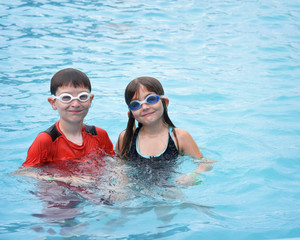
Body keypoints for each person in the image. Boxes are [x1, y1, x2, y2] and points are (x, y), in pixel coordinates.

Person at [115, 76, 212, 186]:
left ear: (164, 102)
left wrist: (192, 176)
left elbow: (205, 163)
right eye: (135, 104)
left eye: (151, 99)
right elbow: (118, 165)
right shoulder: (127, 137)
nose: (145, 107)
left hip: (168, 190)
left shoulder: (179, 137)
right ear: (130, 113)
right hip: (135, 191)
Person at [21, 68, 114, 173]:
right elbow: (25, 173)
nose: (75, 104)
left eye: (82, 97)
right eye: (66, 97)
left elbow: (113, 164)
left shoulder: (99, 135)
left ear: (90, 100)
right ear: (53, 103)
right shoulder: (46, 140)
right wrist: (68, 179)